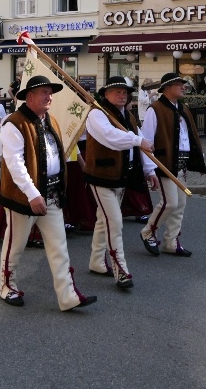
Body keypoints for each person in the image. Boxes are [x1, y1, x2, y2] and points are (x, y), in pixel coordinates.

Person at [0, 75, 97, 310]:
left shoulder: (50, 120)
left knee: (59, 246)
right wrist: (32, 194)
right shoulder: (14, 123)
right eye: (44, 92)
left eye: (50, 93)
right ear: (29, 97)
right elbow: (14, 163)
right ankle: (6, 285)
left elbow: (57, 154)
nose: (49, 97)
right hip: (23, 197)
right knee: (16, 245)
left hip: (51, 195)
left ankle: (67, 295)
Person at [84, 76, 158, 289]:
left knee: (103, 220)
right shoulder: (97, 114)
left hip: (122, 177)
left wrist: (149, 169)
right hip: (102, 177)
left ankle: (97, 261)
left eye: (125, 92)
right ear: (106, 94)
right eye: (117, 91)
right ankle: (121, 270)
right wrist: (136, 140)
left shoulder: (129, 116)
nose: (122, 94)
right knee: (114, 222)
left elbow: (141, 143)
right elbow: (111, 137)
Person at [140, 72, 206, 257]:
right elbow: (145, 141)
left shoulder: (183, 109)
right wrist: (149, 169)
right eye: (179, 84)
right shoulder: (155, 109)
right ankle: (148, 231)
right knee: (169, 203)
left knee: (180, 205)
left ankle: (171, 242)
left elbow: (190, 135)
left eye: (182, 84)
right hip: (164, 164)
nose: (183, 86)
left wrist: (199, 159)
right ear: (167, 88)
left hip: (181, 164)